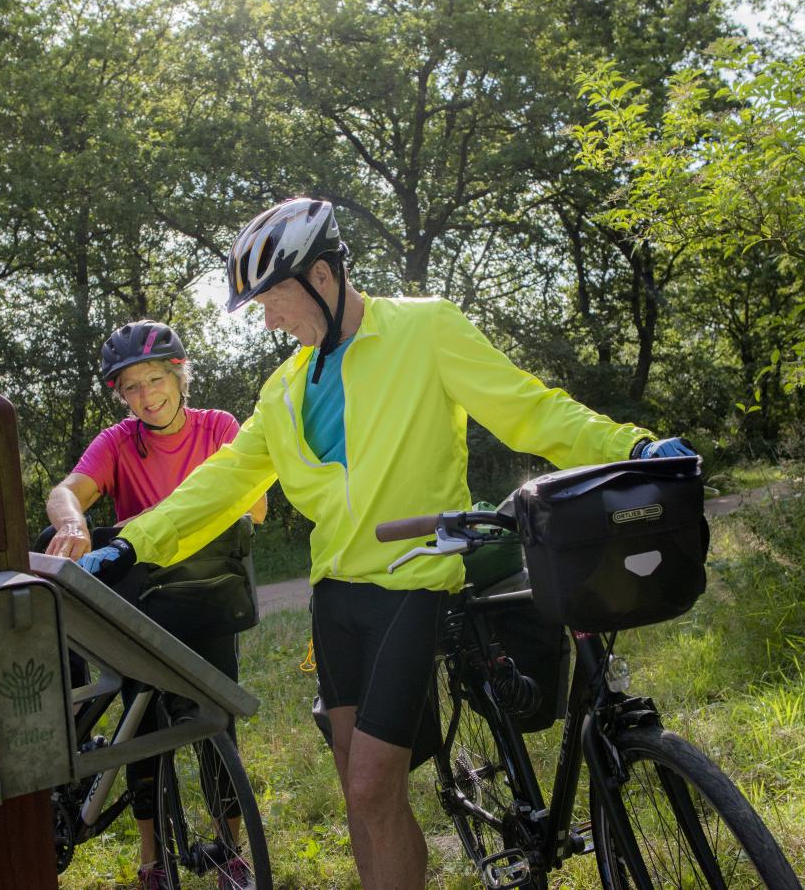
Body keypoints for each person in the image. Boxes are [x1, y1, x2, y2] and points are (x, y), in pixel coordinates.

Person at [80, 198, 695, 890]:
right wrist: (131, 543)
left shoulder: (422, 328)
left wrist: (632, 446)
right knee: (357, 789)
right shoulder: (282, 389)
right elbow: (220, 482)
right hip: (335, 598)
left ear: (320, 274)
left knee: (373, 785)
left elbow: (528, 408)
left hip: (414, 580)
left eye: (274, 298)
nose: (270, 320)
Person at [45, 319, 266, 890]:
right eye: (132, 388)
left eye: (155, 379)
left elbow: (256, 508)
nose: (146, 396)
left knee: (216, 722)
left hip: (208, 594)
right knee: (139, 729)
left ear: (179, 374)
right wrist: (72, 517)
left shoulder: (217, 427)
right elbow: (67, 489)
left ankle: (233, 850)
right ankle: (152, 861)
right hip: (138, 606)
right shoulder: (119, 442)